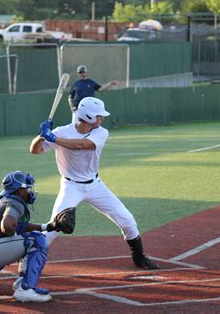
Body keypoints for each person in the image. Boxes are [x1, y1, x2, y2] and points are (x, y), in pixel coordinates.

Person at [30, 97, 160, 270]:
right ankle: (28, 261)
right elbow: (35, 150)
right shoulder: (62, 132)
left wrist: (53, 138)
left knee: (127, 220)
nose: (102, 119)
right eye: (99, 116)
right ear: (89, 116)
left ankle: (139, 257)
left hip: (95, 186)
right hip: (71, 186)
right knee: (54, 227)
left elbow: (82, 145)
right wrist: (41, 137)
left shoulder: (100, 132)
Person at [0, 171, 70, 303]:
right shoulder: (15, 203)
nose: (30, 191)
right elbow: (8, 225)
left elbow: (17, 225)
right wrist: (13, 238)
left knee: (10, 241)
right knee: (36, 240)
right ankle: (26, 289)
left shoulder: (1, 203)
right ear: (20, 191)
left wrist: (48, 227)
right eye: (27, 188)